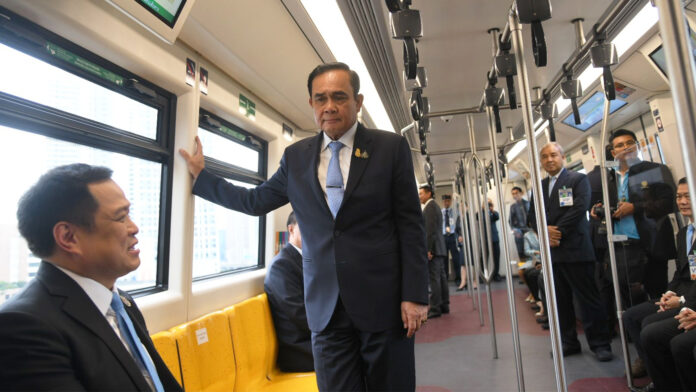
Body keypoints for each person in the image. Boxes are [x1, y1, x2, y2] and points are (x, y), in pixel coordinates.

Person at [179, 62, 429, 391]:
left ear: (358, 101)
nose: (330, 106)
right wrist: (203, 179)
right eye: (320, 98)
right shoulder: (296, 158)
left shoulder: (389, 148)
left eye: (340, 97)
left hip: (383, 301)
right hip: (325, 309)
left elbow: (410, 225)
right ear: (311, 103)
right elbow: (255, 201)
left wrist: (415, 294)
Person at [0, 164, 182, 391]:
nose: (134, 228)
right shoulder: (25, 328)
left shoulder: (122, 303)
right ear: (68, 237)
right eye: (120, 217)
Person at [528, 142, 613, 361]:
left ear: (563, 156)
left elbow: (580, 208)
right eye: (544, 156)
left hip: (576, 249)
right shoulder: (538, 186)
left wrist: (556, 233)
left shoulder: (577, 179)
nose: (549, 160)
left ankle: (600, 344)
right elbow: (532, 216)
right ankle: (568, 342)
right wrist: (544, 231)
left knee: (588, 300)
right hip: (553, 254)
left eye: (553, 155)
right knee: (561, 301)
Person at [591, 129, 676, 306]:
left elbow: (669, 203)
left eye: (629, 143)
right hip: (623, 247)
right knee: (629, 302)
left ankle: (656, 332)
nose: (625, 148)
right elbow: (609, 203)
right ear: (613, 153)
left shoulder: (654, 169)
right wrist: (599, 209)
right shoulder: (610, 178)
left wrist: (635, 208)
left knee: (657, 298)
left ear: (636, 146)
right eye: (620, 145)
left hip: (650, 246)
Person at [623, 178, 696, 380]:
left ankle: (667, 381)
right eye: (679, 196)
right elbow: (682, 272)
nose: (682, 201)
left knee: (650, 328)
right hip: (681, 294)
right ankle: (656, 374)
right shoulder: (683, 234)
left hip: (690, 300)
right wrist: (669, 293)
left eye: (688, 196)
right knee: (631, 316)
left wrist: (681, 302)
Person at [264, 211, 313, 372]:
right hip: (299, 349)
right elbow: (299, 313)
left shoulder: (309, 259)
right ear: (290, 230)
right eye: (305, 226)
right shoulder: (282, 266)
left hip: (313, 340)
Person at [420, 185, 449, 318]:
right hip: (440, 248)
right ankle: (444, 304)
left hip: (434, 249)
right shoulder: (435, 207)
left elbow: (430, 230)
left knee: (434, 279)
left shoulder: (430, 207)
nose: (419, 196)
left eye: (421, 194)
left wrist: (429, 249)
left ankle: (435, 308)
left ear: (429, 194)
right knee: (441, 278)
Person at [441, 194, 464, 286]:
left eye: (448, 201)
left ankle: (458, 278)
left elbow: (459, 219)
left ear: (450, 201)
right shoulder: (440, 212)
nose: (446, 203)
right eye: (445, 201)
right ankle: (445, 279)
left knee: (456, 258)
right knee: (444, 259)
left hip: (453, 236)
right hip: (443, 237)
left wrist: (456, 199)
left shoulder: (454, 211)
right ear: (443, 202)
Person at [509, 186, 530, 261]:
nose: (514, 195)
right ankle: (524, 271)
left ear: (521, 193)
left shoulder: (528, 204)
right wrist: (514, 231)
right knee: (521, 253)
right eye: (513, 194)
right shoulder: (513, 207)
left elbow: (533, 218)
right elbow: (510, 221)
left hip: (529, 231)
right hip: (519, 232)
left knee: (531, 252)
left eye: (516, 193)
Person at [487, 199, 503, 281]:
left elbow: (497, 217)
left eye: (489, 203)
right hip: (485, 239)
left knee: (496, 257)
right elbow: (477, 217)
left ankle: (496, 274)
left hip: (494, 238)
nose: (488, 204)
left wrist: (492, 210)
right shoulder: (481, 212)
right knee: (484, 257)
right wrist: (483, 208)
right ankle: (485, 274)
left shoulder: (493, 213)